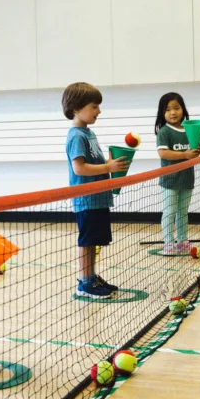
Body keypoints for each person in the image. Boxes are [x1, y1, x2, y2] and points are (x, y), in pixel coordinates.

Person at [62, 82, 127, 299]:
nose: (99, 111)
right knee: (87, 241)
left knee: (94, 241)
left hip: (99, 198)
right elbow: (79, 168)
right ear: (76, 108)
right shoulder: (76, 136)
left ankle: (91, 276)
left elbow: (93, 162)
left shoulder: (89, 133)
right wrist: (108, 167)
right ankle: (84, 282)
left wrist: (109, 165)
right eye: (94, 106)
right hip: (86, 199)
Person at [154, 93, 200, 256]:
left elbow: (191, 152)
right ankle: (168, 243)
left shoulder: (189, 129)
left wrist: (196, 152)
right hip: (170, 181)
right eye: (168, 109)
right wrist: (185, 155)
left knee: (182, 212)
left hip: (187, 179)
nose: (173, 112)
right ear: (162, 113)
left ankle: (182, 241)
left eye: (176, 108)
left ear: (183, 109)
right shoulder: (164, 132)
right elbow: (163, 153)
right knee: (169, 212)